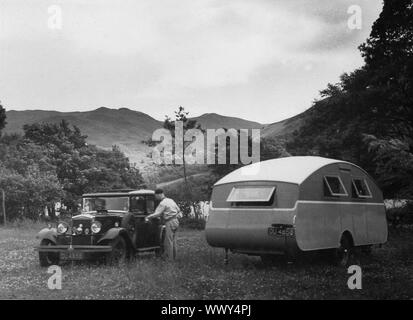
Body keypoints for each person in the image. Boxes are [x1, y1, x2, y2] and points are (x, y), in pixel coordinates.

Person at [145, 188, 180, 260]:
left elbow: (157, 214)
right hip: (176, 221)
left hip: (169, 222)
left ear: (159, 194)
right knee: (174, 240)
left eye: (156, 196)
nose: (156, 197)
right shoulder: (171, 200)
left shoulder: (162, 203)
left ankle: (170, 260)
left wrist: (148, 217)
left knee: (168, 241)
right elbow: (178, 210)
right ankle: (175, 258)